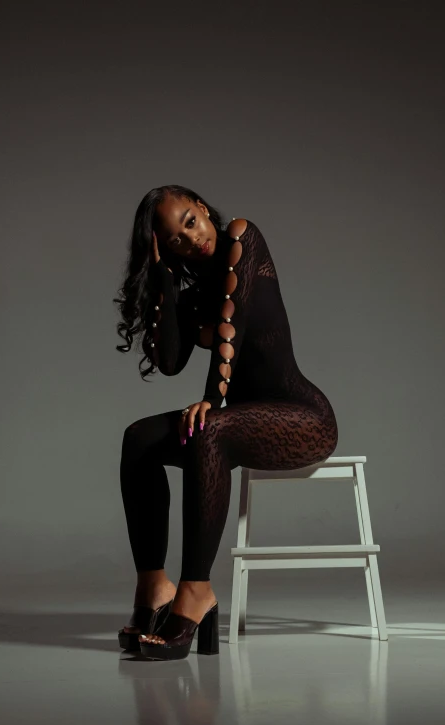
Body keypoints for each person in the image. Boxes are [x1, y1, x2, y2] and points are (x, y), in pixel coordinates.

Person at [113, 185, 338, 660]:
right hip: (240, 418)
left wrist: (212, 402)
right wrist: (162, 280)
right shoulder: (191, 291)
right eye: (174, 239)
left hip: (301, 417)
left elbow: (230, 328)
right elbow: (170, 360)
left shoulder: (242, 237)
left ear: (203, 208)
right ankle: (154, 589)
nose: (190, 239)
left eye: (190, 222)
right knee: (138, 439)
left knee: (207, 429)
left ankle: (196, 592)